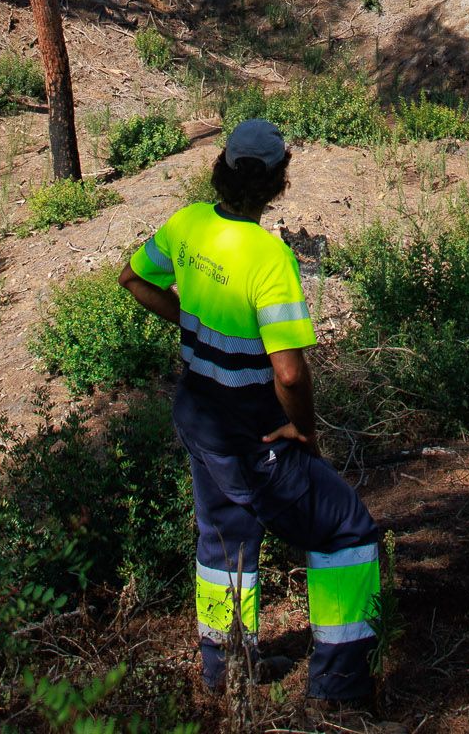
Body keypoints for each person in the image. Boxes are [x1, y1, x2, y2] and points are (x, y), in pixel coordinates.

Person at [118, 118, 382, 707]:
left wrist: (191, 325)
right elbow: (288, 372)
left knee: (222, 539)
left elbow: (132, 278)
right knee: (347, 531)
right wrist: (305, 429)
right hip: (254, 432)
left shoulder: (188, 224)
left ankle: (226, 668)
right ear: (278, 181)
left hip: (199, 415)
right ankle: (339, 687)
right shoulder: (269, 257)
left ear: (223, 167)